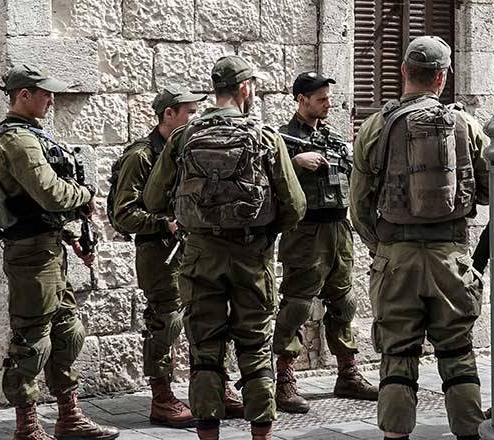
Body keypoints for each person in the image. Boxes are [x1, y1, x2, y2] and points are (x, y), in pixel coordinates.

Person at [143, 55, 307, 440]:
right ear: (245, 88)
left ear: (214, 89)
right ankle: (261, 434)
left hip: (200, 256)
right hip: (252, 256)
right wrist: (265, 235)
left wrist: (191, 217)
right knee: (255, 346)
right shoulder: (266, 135)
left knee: (205, 349)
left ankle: (208, 434)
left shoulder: (184, 136)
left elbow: (152, 198)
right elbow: (295, 205)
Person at [349, 36, 489, 440]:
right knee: (458, 353)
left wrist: (385, 248)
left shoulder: (376, 126)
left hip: (396, 259)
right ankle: (469, 434)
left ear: (404, 72)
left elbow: (359, 207)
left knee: (398, 355)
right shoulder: (464, 124)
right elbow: (487, 189)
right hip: (451, 259)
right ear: (442, 78)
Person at [0, 64, 119, 440]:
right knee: (32, 339)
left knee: (68, 332)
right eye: (44, 93)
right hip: (30, 255)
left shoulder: (32, 135)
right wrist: (85, 195)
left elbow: (39, 204)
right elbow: (50, 193)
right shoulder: (17, 140)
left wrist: (68, 234)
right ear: (23, 95)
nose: (51, 99)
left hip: (48, 250)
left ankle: (69, 415)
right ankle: (27, 425)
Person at [110, 85, 247, 428]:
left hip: (193, 250)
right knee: (165, 322)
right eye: (188, 111)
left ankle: (219, 385)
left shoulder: (190, 148)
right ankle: (161, 396)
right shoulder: (141, 156)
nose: (195, 117)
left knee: (212, 314)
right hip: (158, 252)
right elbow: (123, 213)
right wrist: (163, 223)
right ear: (168, 115)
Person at [273, 71, 378, 414]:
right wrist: (294, 162)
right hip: (305, 233)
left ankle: (347, 372)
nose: (327, 104)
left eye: (328, 98)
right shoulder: (283, 141)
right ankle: (285, 380)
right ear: (301, 100)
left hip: (338, 230)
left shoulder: (332, 137)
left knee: (344, 302)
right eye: (320, 99)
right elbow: (265, 176)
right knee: (298, 305)